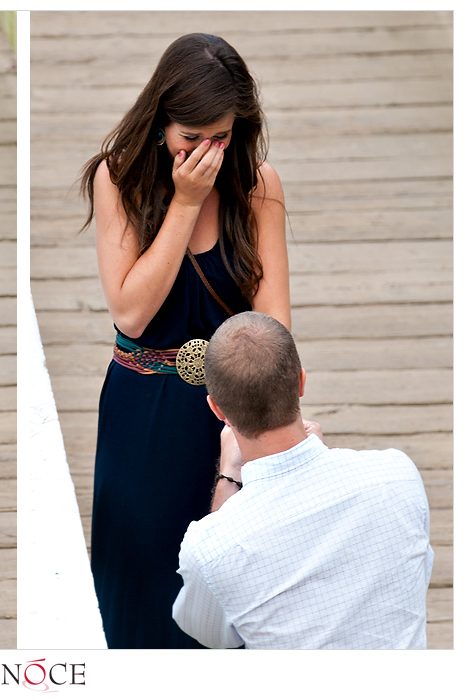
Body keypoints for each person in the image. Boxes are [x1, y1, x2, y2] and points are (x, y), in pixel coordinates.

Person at [78, 33, 290, 647]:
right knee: (142, 587)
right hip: (143, 410)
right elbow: (133, 312)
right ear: (160, 122)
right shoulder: (118, 179)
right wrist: (185, 202)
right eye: (188, 138)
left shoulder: (258, 186)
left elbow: (274, 324)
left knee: (231, 589)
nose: (204, 152)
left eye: (219, 138)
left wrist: (272, 420)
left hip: (233, 411)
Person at [172, 312, 434, 648]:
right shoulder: (397, 475)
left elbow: (211, 635)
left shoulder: (210, 545)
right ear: (300, 381)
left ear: (218, 410)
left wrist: (228, 477)